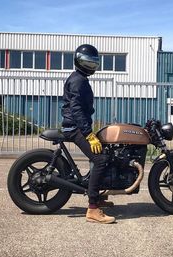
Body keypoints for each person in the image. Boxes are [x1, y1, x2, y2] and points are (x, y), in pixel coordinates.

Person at [61, 44, 115, 224]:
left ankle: (97, 196)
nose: (91, 66)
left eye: (94, 63)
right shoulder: (78, 80)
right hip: (74, 127)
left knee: (104, 152)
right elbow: (76, 109)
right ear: (78, 61)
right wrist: (88, 134)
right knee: (101, 160)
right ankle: (93, 209)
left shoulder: (80, 78)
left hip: (77, 126)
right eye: (88, 63)